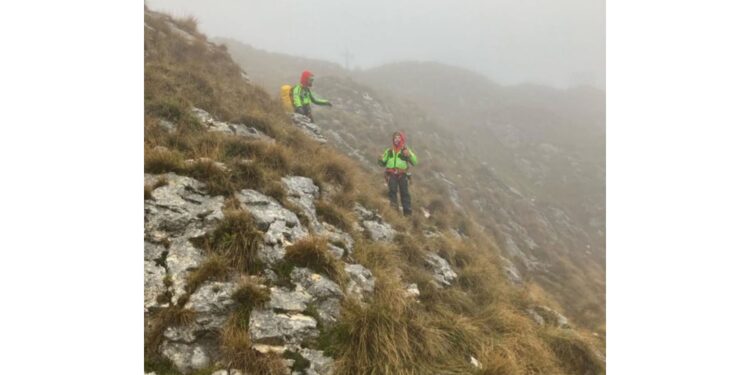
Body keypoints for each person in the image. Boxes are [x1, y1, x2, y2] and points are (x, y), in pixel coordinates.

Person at [379, 131, 419, 216]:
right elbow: (382, 163)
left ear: (402, 139)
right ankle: (394, 213)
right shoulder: (389, 151)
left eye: (398, 137)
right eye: (395, 138)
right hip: (391, 174)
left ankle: (407, 214)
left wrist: (409, 155)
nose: (396, 139)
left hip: (403, 174)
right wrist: (380, 159)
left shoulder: (405, 150)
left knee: (404, 193)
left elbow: (415, 162)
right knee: (392, 192)